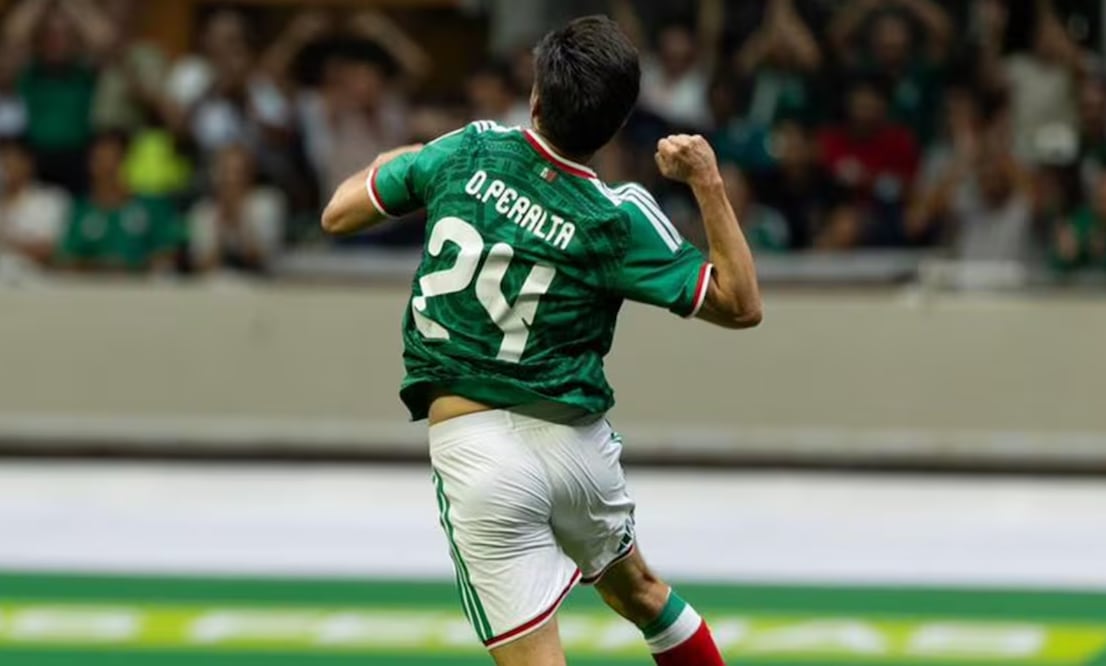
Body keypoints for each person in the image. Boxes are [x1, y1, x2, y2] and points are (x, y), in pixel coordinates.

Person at [321, 15, 760, 666]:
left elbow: (338, 212)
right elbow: (741, 304)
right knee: (640, 591)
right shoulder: (618, 216)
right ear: (614, 126)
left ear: (535, 97)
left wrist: (412, 161)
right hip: (575, 444)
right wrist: (706, 181)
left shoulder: (468, 151)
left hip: (478, 451)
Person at [56, 131, 180, 273]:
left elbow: (168, 253)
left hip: (142, 289)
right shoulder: (79, 211)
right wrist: (101, 268)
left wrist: (129, 268)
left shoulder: (153, 206)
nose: (108, 168)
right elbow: (66, 259)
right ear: (90, 165)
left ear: (127, 163)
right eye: (100, 160)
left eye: (115, 160)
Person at [187, 143, 285, 274]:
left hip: (260, 284)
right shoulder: (203, 211)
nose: (232, 180)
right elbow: (201, 263)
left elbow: (262, 258)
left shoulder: (267, 203)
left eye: (239, 173)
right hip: (214, 285)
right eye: (226, 173)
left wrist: (239, 218)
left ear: (251, 173)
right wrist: (220, 226)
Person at [0, 137, 70, 265]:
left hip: (35, 280)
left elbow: (48, 251)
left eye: (9, 161)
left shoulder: (50, 200)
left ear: (28, 163)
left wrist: (7, 242)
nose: (4, 168)